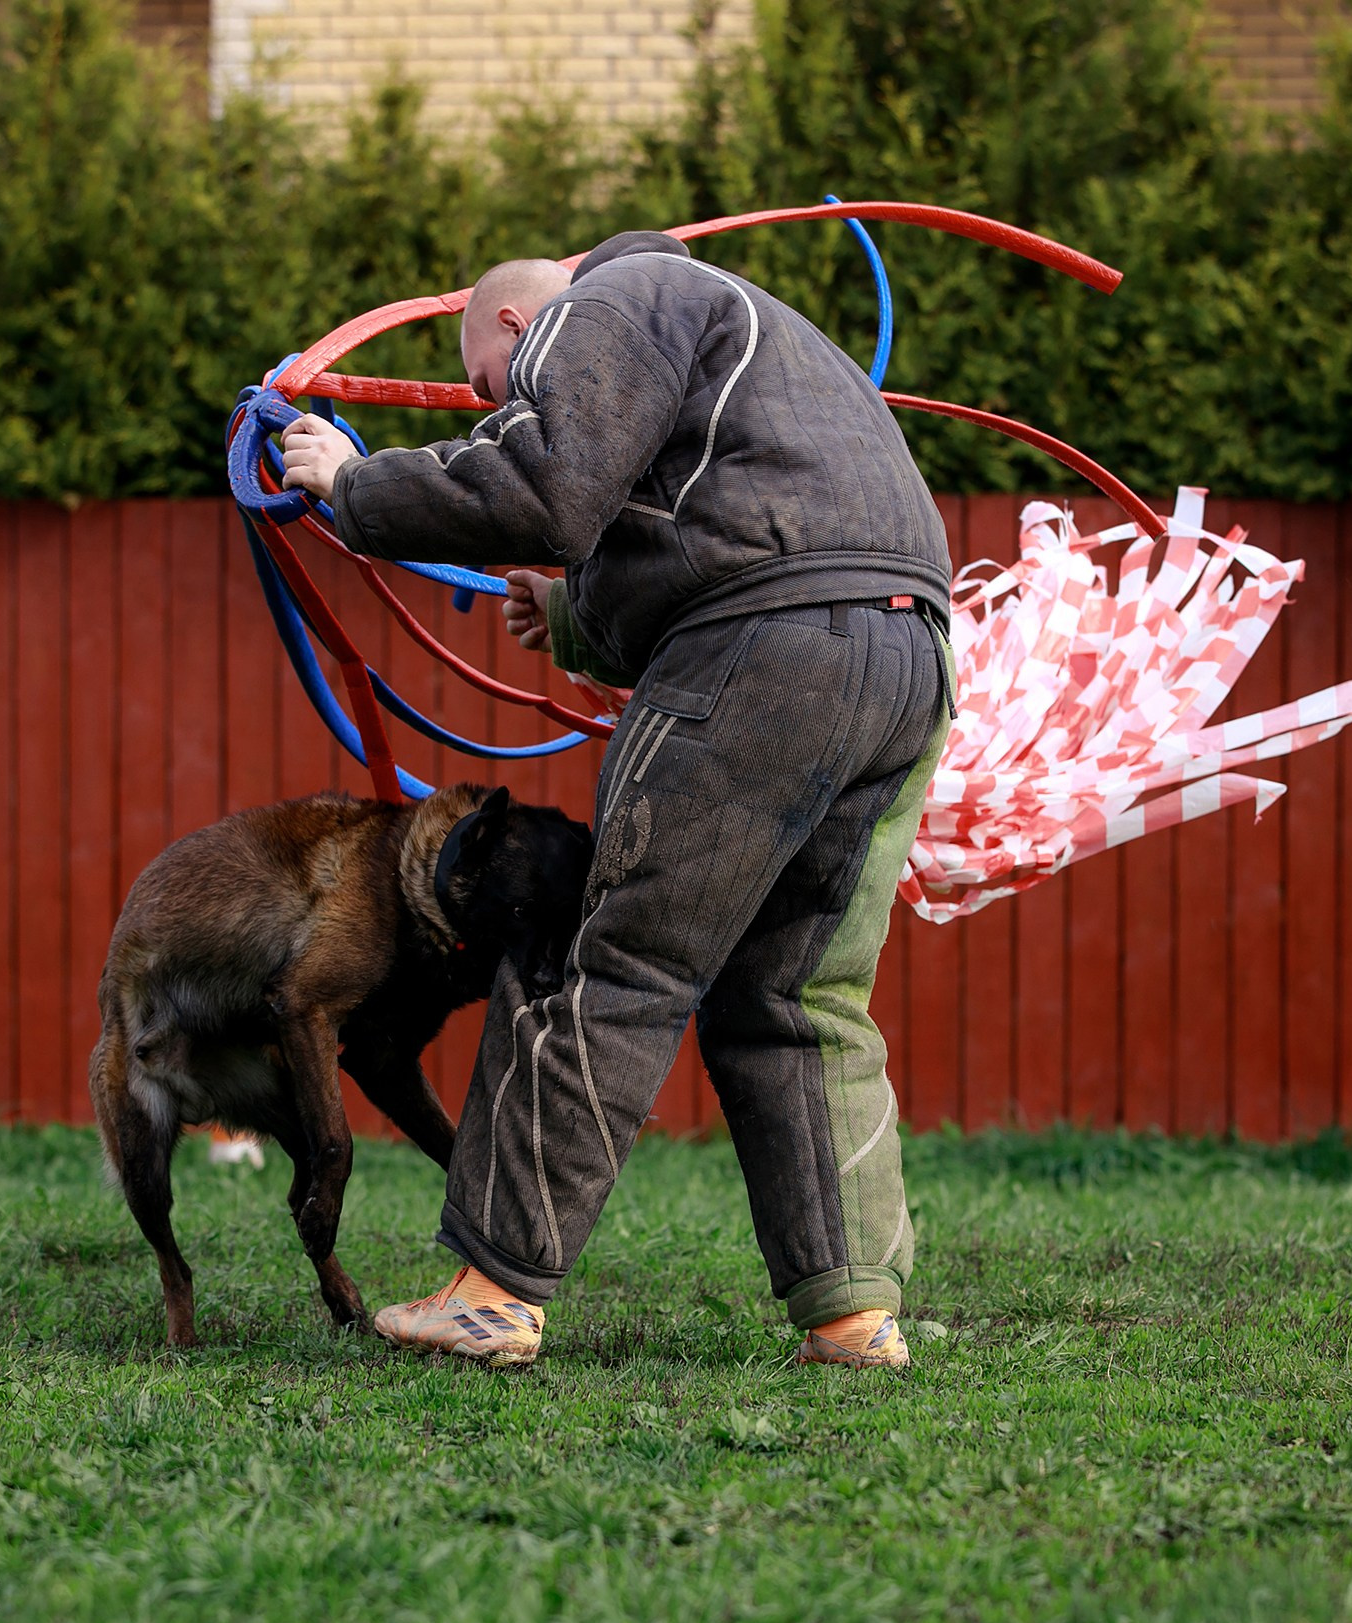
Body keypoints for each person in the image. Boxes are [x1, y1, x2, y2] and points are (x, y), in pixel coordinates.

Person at [278, 232, 953, 1370]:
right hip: (905, 662)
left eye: (491, 388)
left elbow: (549, 485)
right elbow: (724, 526)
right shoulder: (771, 343)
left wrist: (355, 483)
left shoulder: (619, 293)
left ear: (515, 325)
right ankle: (852, 1313)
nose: (498, 406)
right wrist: (573, 617)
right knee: (798, 995)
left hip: (763, 654)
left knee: (597, 959)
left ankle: (492, 1293)